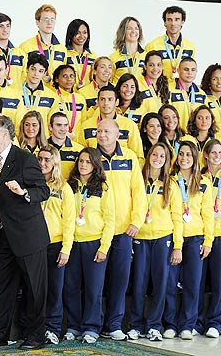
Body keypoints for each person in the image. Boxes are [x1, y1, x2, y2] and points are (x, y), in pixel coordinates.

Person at [0, 115, 50, 350]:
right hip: (1, 235)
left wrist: (23, 192)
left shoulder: (24, 158)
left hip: (29, 236)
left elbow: (43, 190)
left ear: (5, 134)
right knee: (1, 289)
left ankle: (36, 336)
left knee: (35, 290)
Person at [95, 118, 147, 341]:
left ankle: (114, 324)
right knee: (95, 282)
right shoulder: (91, 157)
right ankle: (93, 325)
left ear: (118, 135)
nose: (102, 134)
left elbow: (139, 191)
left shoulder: (129, 157)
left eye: (107, 131)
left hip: (124, 231)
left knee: (119, 280)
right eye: (99, 131)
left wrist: (136, 221)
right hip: (98, 231)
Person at [128, 142, 182, 342]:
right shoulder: (138, 181)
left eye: (162, 156)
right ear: (149, 155)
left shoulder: (170, 184)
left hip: (162, 238)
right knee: (139, 284)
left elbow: (177, 217)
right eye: (155, 154)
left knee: (160, 284)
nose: (158, 158)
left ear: (167, 160)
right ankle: (135, 325)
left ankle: (154, 326)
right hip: (140, 238)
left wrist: (177, 245)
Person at [163, 140, 214, 340]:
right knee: (170, 283)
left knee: (193, 284)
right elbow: (171, 213)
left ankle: (187, 325)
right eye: (181, 154)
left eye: (188, 155)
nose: (184, 158)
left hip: (195, 238)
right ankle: (170, 324)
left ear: (195, 159)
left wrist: (208, 241)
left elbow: (208, 214)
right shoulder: (170, 180)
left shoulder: (204, 182)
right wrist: (177, 244)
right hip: (174, 237)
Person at [64, 147, 115, 343]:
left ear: (95, 165)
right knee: (71, 287)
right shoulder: (70, 185)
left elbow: (110, 219)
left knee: (94, 289)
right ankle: (74, 326)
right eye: (81, 161)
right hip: (73, 242)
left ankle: (92, 328)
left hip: (94, 244)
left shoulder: (103, 188)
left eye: (87, 161)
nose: (83, 165)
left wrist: (104, 247)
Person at [37, 145, 75, 344]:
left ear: (55, 163)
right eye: (40, 159)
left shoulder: (63, 188)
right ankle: (34, 329)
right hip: (35, 246)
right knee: (35, 289)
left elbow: (69, 221)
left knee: (54, 289)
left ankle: (52, 329)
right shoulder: (32, 184)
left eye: (47, 160)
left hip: (55, 244)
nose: (43, 163)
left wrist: (66, 249)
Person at [78, 85, 144, 165]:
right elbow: (80, 154)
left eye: (110, 99)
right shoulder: (86, 126)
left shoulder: (129, 125)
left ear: (117, 102)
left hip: (121, 174)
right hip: (95, 175)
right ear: (97, 102)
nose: (106, 103)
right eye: (102, 99)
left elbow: (139, 157)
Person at [198, 139, 221, 338]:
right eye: (213, 152)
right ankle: (195, 321)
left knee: (218, 281)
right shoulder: (198, 176)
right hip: (201, 234)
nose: (217, 156)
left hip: (220, 234)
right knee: (198, 280)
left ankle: (215, 322)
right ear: (205, 154)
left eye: (220, 153)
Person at [20, 4, 67, 87]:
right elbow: (23, 74)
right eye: (46, 19)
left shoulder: (62, 49)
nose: (49, 22)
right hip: (35, 95)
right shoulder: (26, 46)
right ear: (37, 22)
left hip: (56, 95)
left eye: (52, 19)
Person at [145, 6, 196, 81]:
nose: (173, 23)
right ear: (165, 23)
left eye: (177, 20)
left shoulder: (190, 46)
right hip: (160, 90)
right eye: (169, 20)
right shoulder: (152, 45)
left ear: (182, 22)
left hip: (181, 90)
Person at [168, 57, 207, 129]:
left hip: (195, 136)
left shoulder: (201, 94)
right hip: (175, 135)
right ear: (178, 70)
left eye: (193, 70)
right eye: (186, 69)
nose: (190, 73)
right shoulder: (168, 89)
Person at [19, 52, 59, 124]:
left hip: (43, 135)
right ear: (27, 69)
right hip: (20, 134)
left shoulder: (52, 96)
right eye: (33, 69)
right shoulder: (13, 91)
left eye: (40, 71)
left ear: (44, 73)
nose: (36, 74)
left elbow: (53, 123)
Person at [52, 64, 87, 139]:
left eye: (71, 76)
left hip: (77, 142)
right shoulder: (52, 97)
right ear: (56, 79)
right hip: (56, 141)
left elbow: (84, 122)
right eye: (65, 76)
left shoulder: (80, 99)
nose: (69, 79)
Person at [48, 112, 84, 180]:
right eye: (59, 125)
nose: (63, 129)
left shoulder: (79, 150)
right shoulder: (41, 148)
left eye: (65, 125)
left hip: (70, 189)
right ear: (50, 127)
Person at [109, 16, 145, 84]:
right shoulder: (113, 58)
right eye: (129, 28)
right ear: (123, 31)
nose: (133, 31)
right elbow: (109, 82)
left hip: (141, 94)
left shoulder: (146, 56)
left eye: (136, 28)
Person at [65, 19, 96, 90]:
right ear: (71, 34)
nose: (82, 36)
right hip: (69, 96)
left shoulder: (92, 55)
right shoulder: (65, 53)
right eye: (78, 33)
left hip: (87, 96)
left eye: (84, 33)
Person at [138, 51, 170, 115]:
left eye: (159, 65)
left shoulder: (165, 84)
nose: (155, 69)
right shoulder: (138, 84)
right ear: (145, 66)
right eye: (151, 65)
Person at [201, 63, 221, 138]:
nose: (219, 82)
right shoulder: (203, 99)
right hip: (212, 144)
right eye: (215, 79)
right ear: (209, 81)